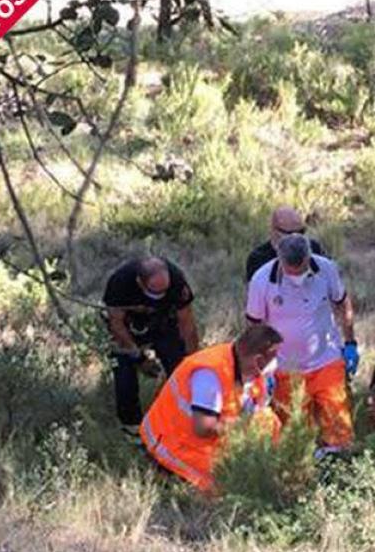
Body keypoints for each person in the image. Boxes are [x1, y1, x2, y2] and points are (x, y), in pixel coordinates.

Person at [245, 233, 358, 454]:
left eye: (302, 268)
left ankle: (340, 470)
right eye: (291, 270)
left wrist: (351, 342)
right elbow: (254, 327)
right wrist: (260, 369)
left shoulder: (326, 269)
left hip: (327, 361)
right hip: (285, 368)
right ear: (280, 259)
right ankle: (306, 478)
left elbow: (343, 304)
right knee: (294, 438)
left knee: (340, 431)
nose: (297, 275)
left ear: (309, 257)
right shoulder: (261, 280)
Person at [140, 324, 283, 494]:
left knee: (269, 421)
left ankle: (274, 467)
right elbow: (203, 427)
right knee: (228, 481)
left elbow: (256, 402)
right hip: (177, 442)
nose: (277, 361)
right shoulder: (209, 375)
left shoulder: (246, 365)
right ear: (258, 360)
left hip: (216, 431)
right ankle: (166, 473)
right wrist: (243, 428)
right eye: (274, 356)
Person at [102, 256, 199, 435]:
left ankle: (182, 417)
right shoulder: (120, 283)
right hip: (127, 328)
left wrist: (193, 363)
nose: (160, 296)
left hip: (162, 323)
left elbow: (187, 323)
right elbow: (116, 324)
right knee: (124, 374)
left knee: (180, 367)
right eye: (155, 292)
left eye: (164, 291)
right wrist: (138, 357)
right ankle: (132, 427)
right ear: (140, 282)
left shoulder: (177, 281)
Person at [245, 206, 326, 283]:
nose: (297, 237)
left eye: (301, 232)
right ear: (274, 232)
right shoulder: (258, 258)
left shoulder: (313, 249)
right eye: (291, 233)